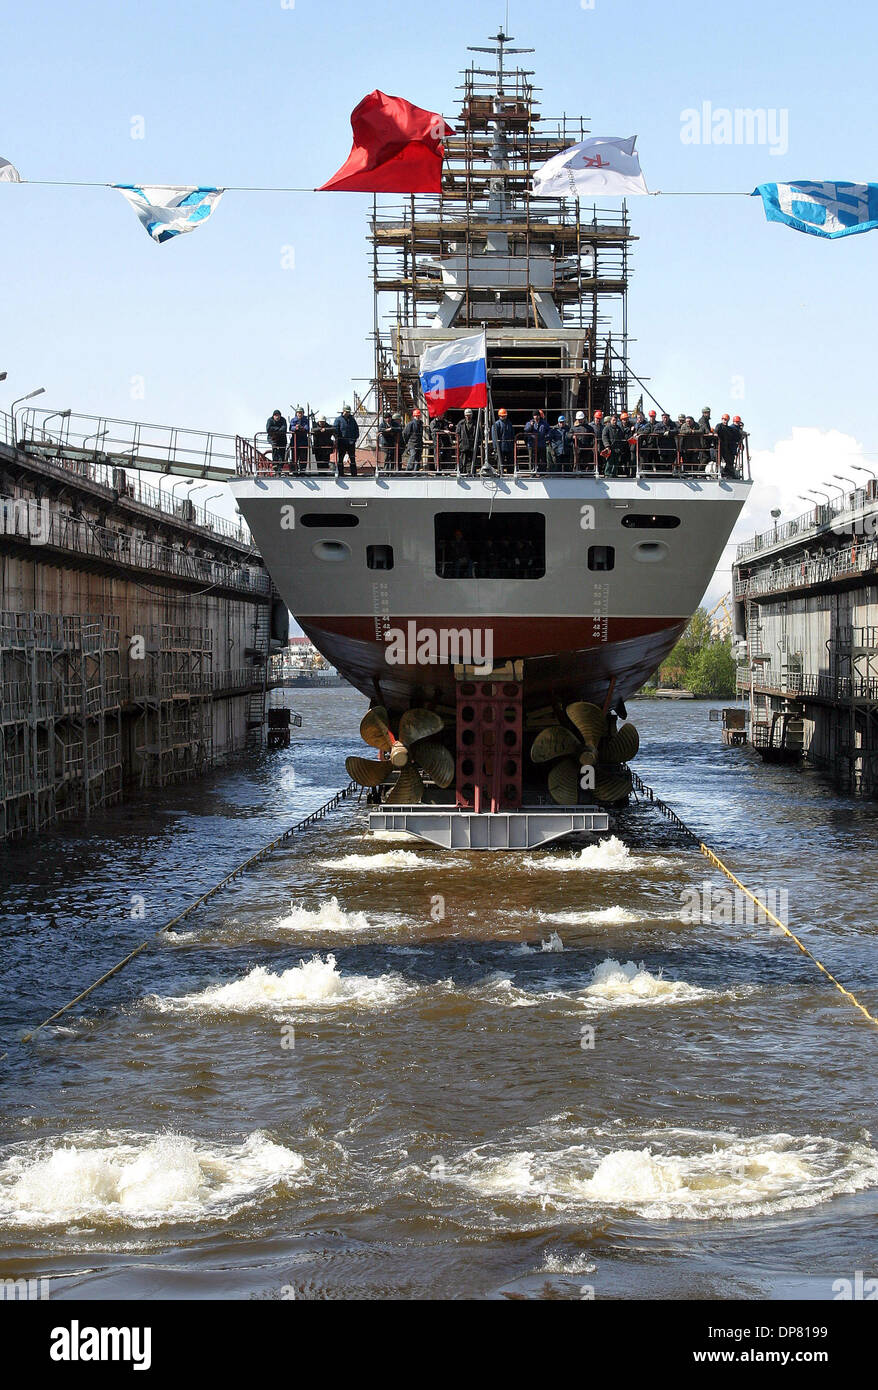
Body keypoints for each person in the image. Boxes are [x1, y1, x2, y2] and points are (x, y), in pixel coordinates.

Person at [333, 406, 359, 476]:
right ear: (343, 411)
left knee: (352, 458)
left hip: (351, 443)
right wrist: (338, 438)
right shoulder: (338, 420)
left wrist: (355, 438)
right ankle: (341, 473)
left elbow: (356, 429)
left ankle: (354, 474)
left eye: (348, 412)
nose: (347, 413)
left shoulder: (352, 420)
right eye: (346, 412)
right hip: (342, 443)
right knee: (340, 458)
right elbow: (335, 430)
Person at [491, 408, 515, 473]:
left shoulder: (509, 423)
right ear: (499, 416)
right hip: (500, 447)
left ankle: (510, 473)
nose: (503, 417)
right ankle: (500, 473)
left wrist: (513, 444)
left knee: (510, 462)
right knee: (500, 462)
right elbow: (494, 437)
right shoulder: (496, 424)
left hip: (509, 446)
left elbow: (512, 434)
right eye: (502, 416)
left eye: (504, 416)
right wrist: (495, 447)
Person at [456, 408, 479, 474]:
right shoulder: (461, 423)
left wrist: (478, 444)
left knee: (472, 462)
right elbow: (457, 434)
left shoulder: (475, 424)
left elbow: (479, 435)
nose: (468, 417)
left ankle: (472, 474)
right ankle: (462, 473)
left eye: (469, 415)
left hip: (472, 446)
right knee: (463, 462)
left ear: (471, 415)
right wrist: (460, 442)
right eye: (467, 415)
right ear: (464, 415)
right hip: (463, 446)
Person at [289, 407, 310, 472]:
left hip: (303, 441)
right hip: (295, 441)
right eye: (298, 413)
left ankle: (302, 471)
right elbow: (291, 428)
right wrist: (295, 427)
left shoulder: (306, 420)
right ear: (296, 413)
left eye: (301, 413)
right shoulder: (293, 420)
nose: (299, 414)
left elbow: (307, 428)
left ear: (303, 413)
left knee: (303, 457)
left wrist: (301, 428)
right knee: (294, 456)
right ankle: (294, 471)